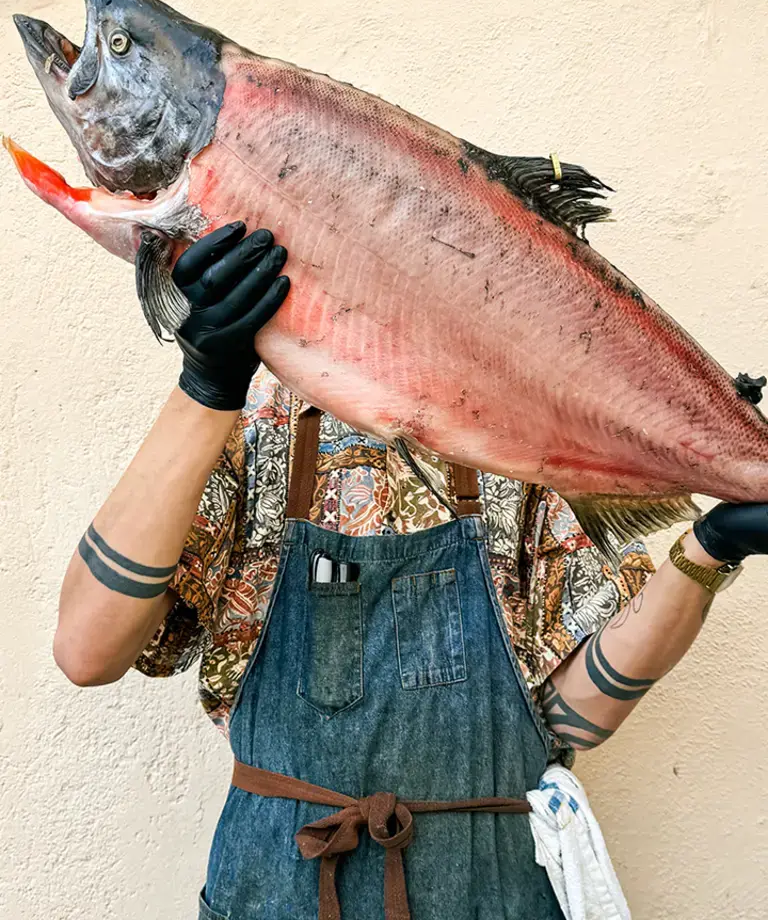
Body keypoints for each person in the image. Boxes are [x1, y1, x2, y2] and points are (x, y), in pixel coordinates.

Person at [54, 222, 768, 920]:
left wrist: (709, 547)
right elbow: (88, 650)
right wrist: (204, 386)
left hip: (495, 892)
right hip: (280, 892)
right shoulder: (250, 435)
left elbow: (576, 717)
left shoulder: (521, 449)